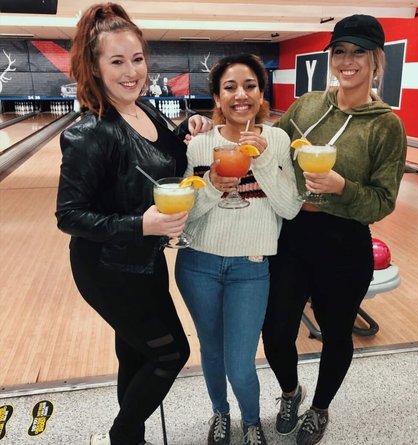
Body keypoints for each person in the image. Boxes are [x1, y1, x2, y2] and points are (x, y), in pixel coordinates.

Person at [55, 3, 211, 445]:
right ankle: (123, 434)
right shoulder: (90, 133)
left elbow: (161, 159)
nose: (131, 72)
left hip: (145, 260)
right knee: (171, 354)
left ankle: (133, 438)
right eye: (117, 61)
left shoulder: (146, 110)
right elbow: (69, 215)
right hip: (106, 268)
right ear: (95, 67)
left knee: (137, 352)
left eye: (137, 59)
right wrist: (140, 225)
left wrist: (187, 130)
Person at [261, 14, 407, 445]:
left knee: (336, 332)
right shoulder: (308, 105)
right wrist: (214, 130)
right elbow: (271, 147)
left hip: (344, 243)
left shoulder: (386, 125)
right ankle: (291, 392)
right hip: (292, 234)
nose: (347, 61)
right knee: (275, 331)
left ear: (376, 60)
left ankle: (320, 408)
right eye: (339, 51)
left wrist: (342, 187)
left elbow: (383, 201)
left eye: (358, 52)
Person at [174, 53, 301, 445]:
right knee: (212, 352)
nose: (240, 95)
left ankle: (251, 419)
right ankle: (220, 413)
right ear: (217, 97)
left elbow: (290, 208)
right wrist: (212, 186)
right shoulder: (200, 146)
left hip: (251, 267)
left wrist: (260, 162)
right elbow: (185, 219)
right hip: (198, 264)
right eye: (229, 87)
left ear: (261, 93)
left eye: (250, 86)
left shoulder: (277, 141)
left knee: (240, 361)